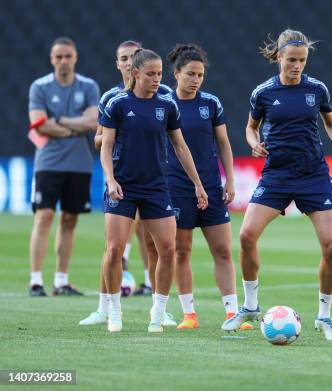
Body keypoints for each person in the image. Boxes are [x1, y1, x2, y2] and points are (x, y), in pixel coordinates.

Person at [221, 29, 332, 341]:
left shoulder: (317, 89)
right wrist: (254, 143)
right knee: (246, 235)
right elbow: (250, 128)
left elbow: (331, 124)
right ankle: (250, 306)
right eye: (292, 59)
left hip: (313, 174)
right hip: (277, 175)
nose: (297, 65)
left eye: (302, 60)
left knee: (331, 247)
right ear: (279, 57)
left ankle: (324, 316)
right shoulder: (263, 93)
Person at [99, 48, 207, 332]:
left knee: (168, 249)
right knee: (114, 250)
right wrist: (110, 180)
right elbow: (106, 146)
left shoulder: (167, 104)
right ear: (135, 74)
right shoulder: (118, 104)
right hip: (123, 186)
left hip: (157, 187)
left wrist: (197, 183)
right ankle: (114, 311)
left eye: (159, 73)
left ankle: (157, 312)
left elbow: (180, 146)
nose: (157, 79)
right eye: (150, 74)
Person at [80, 41, 176, 327]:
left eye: (131, 57)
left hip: (154, 179)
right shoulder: (112, 98)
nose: (126, 62)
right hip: (120, 177)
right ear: (120, 64)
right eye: (123, 58)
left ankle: (158, 304)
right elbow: (100, 139)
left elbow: (174, 135)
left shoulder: (165, 97)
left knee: (153, 242)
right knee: (114, 247)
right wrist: (118, 134)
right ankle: (105, 308)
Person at [165, 43, 245, 329]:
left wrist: (230, 180)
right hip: (177, 187)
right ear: (176, 73)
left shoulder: (210, 103)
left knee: (223, 251)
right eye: (190, 74)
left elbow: (223, 143)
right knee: (181, 251)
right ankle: (189, 314)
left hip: (211, 186)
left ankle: (232, 313)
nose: (196, 80)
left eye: (200, 75)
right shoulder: (165, 103)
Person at [28, 37, 100, 297]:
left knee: (69, 220)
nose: (63, 61)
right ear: (52, 59)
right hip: (47, 162)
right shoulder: (40, 87)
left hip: (79, 164)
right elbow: (40, 124)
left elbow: (93, 121)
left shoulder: (89, 86)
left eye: (67, 56)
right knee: (44, 217)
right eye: (58, 57)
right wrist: (75, 126)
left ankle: (61, 280)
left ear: (75, 57)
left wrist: (59, 122)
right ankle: (36, 280)